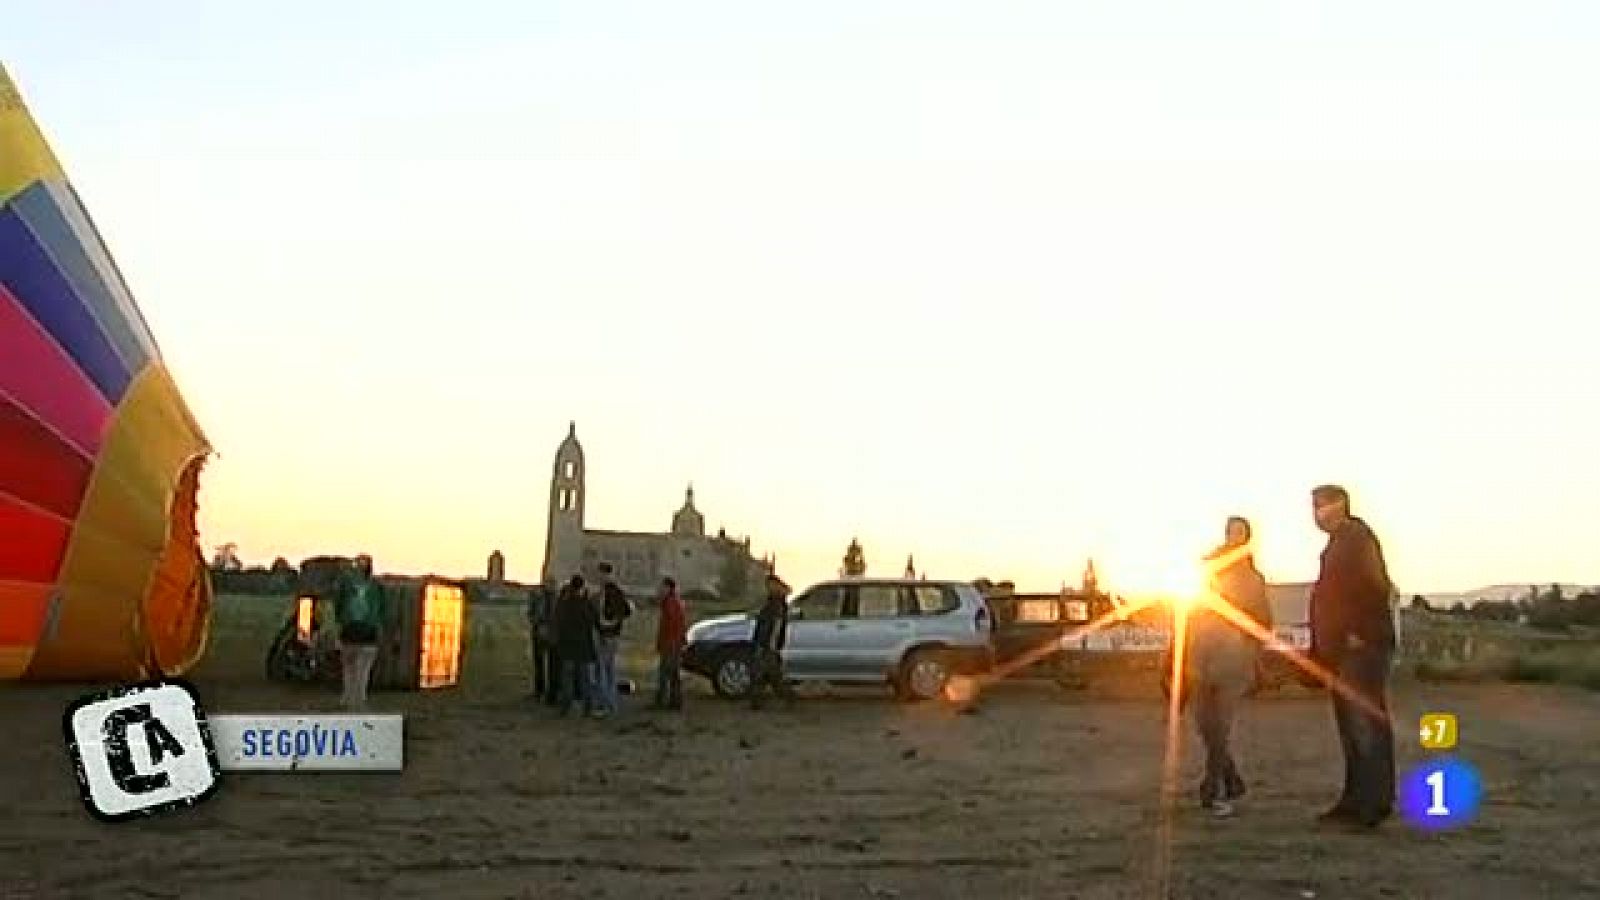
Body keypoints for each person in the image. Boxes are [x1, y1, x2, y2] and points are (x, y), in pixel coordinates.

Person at [1309, 484, 1397, 832]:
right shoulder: (1340, 542)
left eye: (1322, 505)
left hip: (1362, 646)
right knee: (1350, 726)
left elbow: (1375, 586)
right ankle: (1355, 798)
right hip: (1342, 649)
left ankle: (1374, 803)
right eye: (1314, 507)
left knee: (1366, 724)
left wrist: (1359, 632)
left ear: (1341, 504)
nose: (1317, 513)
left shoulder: (1357, 539)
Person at [1186, 516, 1272, 818]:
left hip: (1232, 654)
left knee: (1220, 722)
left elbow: (1262, 620)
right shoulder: (1208, 570)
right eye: (1231, 532)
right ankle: (1231, 779)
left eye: (1240, 533)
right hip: (1202, 650)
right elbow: (1190, 611)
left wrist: (1253, 651)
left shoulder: (1252, 578)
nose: (1234, 538)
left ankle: (1213, 789)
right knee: (1204, 722)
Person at [334, 555, 387, 710]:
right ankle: (352, 697)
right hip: (353, 628)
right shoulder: (351, 584)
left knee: (359, 667)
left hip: (363, 629)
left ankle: (355, 697)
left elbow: (381, 608)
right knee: (353, 667)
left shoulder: (373, 586)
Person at [553, 574, 603, 718]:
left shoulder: (564, 604)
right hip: (583, 646)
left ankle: (566, 707)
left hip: (567, 646)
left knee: (567, 678)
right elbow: (594, 620)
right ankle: (587, 707)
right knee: (585, 679)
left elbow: (558, 621)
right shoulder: (586, 604)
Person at [749, 573, 796, 710]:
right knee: (768, 675)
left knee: (767, 674)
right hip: (767, 643)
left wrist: (771, 645)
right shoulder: (773, 602)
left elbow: (776, 625)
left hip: (769, 645)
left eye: (770, 585)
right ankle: (759, 701)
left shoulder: (777, 604)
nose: (767, 587)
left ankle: (786, 698)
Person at [594, 563, 633, 714]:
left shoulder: (612, 592)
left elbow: (624, 611)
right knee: (608, 669)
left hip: (607, 635)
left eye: (600, 574)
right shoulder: (609, 592)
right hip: (610, 634)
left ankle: (605, 704)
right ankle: (610, 703)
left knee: (603, 670)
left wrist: (610, 624)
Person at [653, 577, 688, 711]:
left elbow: (670, 626)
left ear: (668, 588)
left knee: (666, 673)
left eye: (662, 587)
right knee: (673, 674)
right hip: (674, 643)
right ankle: (674, 701)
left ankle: (664, 700)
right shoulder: (675, 602)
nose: (660, 590)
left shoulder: (670, 604)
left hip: (671, 644)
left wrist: (665, 643)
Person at [527, 578, 558, 705]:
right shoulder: (537, 597)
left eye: (551, 584)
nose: (549, 586)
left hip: (552, 635)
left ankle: (552, 692)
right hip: (540, 632)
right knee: (539, 664)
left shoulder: (557, 598)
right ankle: (539, 690)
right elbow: (531, 613)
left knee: (553, 666)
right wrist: (537, 624)